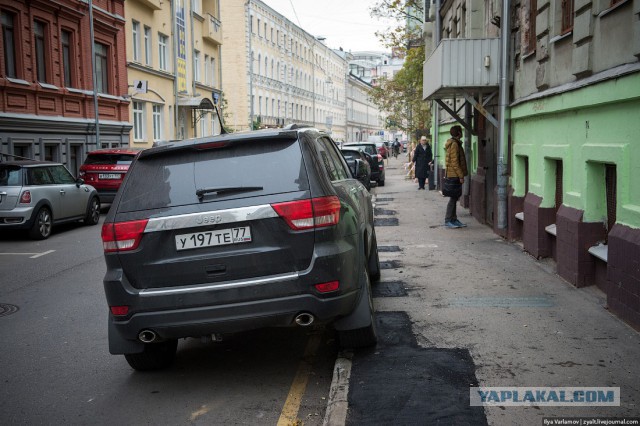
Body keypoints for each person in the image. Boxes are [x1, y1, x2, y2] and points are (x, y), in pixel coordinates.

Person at [444, 125, 468, 228]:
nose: (462, 133)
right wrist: (461, 175)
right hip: (454, 175)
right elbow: (455, 162)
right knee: (453, 198)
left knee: (455, 197)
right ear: (458, 133)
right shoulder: (454, 144)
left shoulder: (455, 143)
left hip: (454, 174)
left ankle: (453, 219)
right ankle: (448, 220)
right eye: (461, 131)